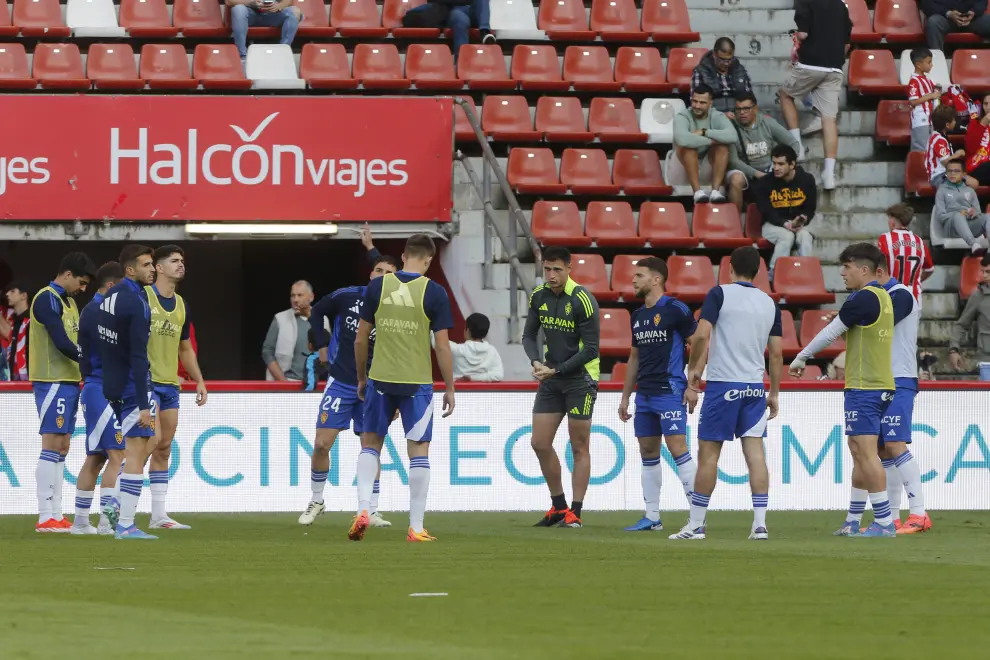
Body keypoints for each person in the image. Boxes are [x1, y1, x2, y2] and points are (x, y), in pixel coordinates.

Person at [669, 247, 781, 541]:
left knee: (708, 457)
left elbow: (702, 334)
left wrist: (693, 375)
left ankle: (696, 525)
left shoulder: (719, 294)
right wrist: (775, 392)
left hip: (723, 385)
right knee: (756, 455)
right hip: (754, 387)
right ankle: (759, 525)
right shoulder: (769, 303)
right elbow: (778, 354)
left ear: (729, 267)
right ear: (758, 270)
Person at [351, 235, 456, 542]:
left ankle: (363, 509)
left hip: (380, 378)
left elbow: (360, 339)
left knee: (370, 444)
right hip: (416, 382)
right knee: (418, 450)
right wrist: (449, 386)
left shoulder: (378, 286)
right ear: (429, 260)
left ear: (404, 255)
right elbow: (442, 346)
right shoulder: (433, 292)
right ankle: (416, 526)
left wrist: (361, 377)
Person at [789, 243, 897, 538]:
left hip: (865, 386)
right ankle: (853, 518)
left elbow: (829, 333)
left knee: (865, 452)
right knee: (858, 451)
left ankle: (885, 522)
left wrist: (801, 357)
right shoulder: (882, 296)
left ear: (864, 270)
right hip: (878, 383)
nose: (842, 272)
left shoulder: (862, 298)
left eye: (847, 267)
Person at [298, 253, 399, 528]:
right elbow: (317, 310)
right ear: (370, 274)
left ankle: (371, 510)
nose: (382, 276)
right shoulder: (348, 296)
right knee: (321, 444)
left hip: (376, 386)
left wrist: (396, 395)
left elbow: (399, 352)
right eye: (378, 270)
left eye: (389, 273)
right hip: (341, 381)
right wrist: (321, 344)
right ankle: (317, 500)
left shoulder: (398, 310)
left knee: (370, 449)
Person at [522, 246, 601, 529]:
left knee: (579, 447)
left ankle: (575, 512)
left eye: (557, 269)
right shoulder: (538, 296)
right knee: (539, 443)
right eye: (547, 269)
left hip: (580, 379)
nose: (551, 275)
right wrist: (535, 361)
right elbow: (529, 334)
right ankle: (558, 506)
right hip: (551, 376)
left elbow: (591, 349)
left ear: (569, 269)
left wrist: (556, 369)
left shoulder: (582, 300)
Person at [617, 257, 698, 531]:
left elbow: (699, 343)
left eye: (639, 275)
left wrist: (693, 384)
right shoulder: (638, 316)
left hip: (670, 390)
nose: (633, 280)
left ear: (656, 279)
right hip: (646, 394)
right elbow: (634, 358)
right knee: (648, 451)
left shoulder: (676, 309)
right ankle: (652, 517)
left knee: (678, 450)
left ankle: (697, 519)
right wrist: (626, 396)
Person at [29, 252, 95, 533]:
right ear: (67, 274)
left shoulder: (69, 302)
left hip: (68, 380)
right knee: (51, 444)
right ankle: (45, 515)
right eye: (80, 282)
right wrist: (91, 361)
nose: (82, 289)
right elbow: (61, 342)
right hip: (51, 380)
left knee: (63, 445)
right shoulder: (46, 298)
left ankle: (56, 513)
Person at [145, 245, 208, 531]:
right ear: (158, 267)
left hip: (170, 384)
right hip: (144, 382)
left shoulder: (182, 305)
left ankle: (159, 515)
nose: (181, 265)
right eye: (174, 261)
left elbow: (185, 348)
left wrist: (199, 380)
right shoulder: (143, 298)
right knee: (147, 443)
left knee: (164, 447)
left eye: (182, 260)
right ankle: (118, 505)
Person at [98, 245, 158, 540]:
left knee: (132, 450)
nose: (153, 269)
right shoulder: (137, 301)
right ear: (130, 270)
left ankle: (115, 508)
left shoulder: (109, 297)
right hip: (133, 386)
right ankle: (125, 523)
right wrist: (144, 401)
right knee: (136, 453)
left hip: (112, 384)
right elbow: (137, 353)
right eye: (147, 265)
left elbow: (104, 343)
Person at [876, 268, 932, 534]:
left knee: (895, 444)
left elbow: (879, 325)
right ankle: (893, 517)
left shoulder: (902, 294)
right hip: (879, 380)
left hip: (900, 378)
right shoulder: (879, 296)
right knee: (884, 450)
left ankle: (919, 514)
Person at [72, 262, 124, 536]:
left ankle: (81, 522)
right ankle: (108, 522)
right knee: (118, 455)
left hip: (95, 387)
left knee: (96, 458)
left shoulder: (92, 310)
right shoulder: (100, 312)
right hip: (102, 388)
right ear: (112, 286)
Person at [779, 0, 852, 190]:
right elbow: (846, 45)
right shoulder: (841, 5)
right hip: (835, 67)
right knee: (829, 119)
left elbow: (803, 34)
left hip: (811, 63)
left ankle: (797, 148)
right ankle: (829, 174)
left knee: (785, 95)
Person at [726, 93, 801, 212]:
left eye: (746, 108)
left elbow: (793, 144)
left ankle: (790, 216)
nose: (742, 112)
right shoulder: (730, 126)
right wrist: (757, 174)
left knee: (793, 173)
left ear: (755, 109)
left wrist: (782, 165)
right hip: (745, 170)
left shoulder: (767, 122)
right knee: (736, 179)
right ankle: (735, 222)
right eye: (738, 109)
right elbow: (733, 161)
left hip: (770, 168)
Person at [753, 144, 817, 277]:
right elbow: (766, 211)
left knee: (805, 237)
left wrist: (803, 219)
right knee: (786, 236)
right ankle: (775, 275)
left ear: (792, 164)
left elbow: (810, 207)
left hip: (799, 224)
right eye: (774, 163)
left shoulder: (807, 180)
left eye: (781, 164)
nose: (776, 168)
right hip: (772, 224)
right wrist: (785, 223)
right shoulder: (765, 182)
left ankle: (807, 274)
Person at [673, 84, 737, 204]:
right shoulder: (682, 116)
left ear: (710, 103)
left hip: (707, 162)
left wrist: (704, 132)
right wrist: (711, 141)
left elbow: (732, 136)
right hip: (682, 164)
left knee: (722, 147)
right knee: (689, 147)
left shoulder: (717, 115)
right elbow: (682, 140)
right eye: (694, 101)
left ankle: (715, 192)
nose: (697, 106)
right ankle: (697, 192)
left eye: (702, 103)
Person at [878, 203, 935, 304]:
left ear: (893, 221)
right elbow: (929, 269)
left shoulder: (885, 239)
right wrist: (915, 280)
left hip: (891, 298)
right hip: (914, 299)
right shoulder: (919, 241)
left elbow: (878, 268)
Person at [262, 280, 315, 381]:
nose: (295, 299)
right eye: (293, 295)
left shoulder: (322, 320)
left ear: (311, 297)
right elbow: (267, 352)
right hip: (286, 382)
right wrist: (283, 382)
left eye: (300, 295)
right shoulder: (280, 318)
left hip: (314, 384)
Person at [935, 160, 990, 254]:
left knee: (988, 216)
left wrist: (973, 213)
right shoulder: (941, 191)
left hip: (970, 225)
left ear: (964, 174)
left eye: (956, 171)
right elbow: (941, 216)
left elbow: (978, 213)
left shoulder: (970, 191)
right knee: (957, 215)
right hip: (951, 229)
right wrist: (959, 214)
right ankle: (974, 245)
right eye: (949, 171)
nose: (952, 173)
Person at [690, 37, 754, 116]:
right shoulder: (701, 72)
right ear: (714, 55)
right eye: (722, 60)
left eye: (730, 59)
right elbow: (697, 105)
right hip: (712, 116)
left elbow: (749, 98)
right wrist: (721, 115)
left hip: (739, 114)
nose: (726, 63)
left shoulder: (739, 70)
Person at [949, 252, 990, 374]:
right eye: (983, 271)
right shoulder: (978, 295)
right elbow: (961, 325)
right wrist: (953, 349)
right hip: (987, 361)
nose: (984, 276)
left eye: (988, 272)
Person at [227, 0, 301, 64]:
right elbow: (229, 1)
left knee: (294, 11)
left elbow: (287, 1)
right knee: (238, 9)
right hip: (250, 14)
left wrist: (279, 6)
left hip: (274, 14)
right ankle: (242, 56)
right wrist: (251, 3)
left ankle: (283, 52)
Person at [438, 312, 504, 382]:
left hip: (458, 392)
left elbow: (437, 341)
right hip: (484, 392)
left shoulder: (457, 350)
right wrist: (473, 378)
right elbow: (498, 375)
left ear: (468, 331)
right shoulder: (492, 351)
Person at [907, 47, 943, 152]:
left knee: (930, 149)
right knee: (920, 149)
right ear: (918, 64)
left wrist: (937, 89)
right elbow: (913, 101)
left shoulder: (927, 78)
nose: (931, 65)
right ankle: (917, 168)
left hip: (930, 118)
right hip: (920, 120)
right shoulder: (914, 80)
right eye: (929, 62)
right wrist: (931, 96)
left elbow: (934, 91)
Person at [922, 0, 990, 50]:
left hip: (971, 19)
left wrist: (974, 12)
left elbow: (982, 1)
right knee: (933, 22)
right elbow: (926, 4)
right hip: (945, 18)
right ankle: (938, 61)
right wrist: (948, 13)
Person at [927, 105, 967, 189]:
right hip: (938, 176)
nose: (955, 122)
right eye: (954, 120)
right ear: (947, 125)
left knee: (974, 183)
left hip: (948, 173)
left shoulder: (942, 136)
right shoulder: (938, 139)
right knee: (962, 186)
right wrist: (958, 153)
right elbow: (946, 162)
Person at [2, 282, 33, 381]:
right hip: (14, 379)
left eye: (12, 291)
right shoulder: (13, 321)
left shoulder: (33, 321)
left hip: (31, 380)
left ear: (23, 296)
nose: (7, 294)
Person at [965, 93, 990, 186]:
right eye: (985, 104)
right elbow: (970, 148)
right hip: (977, 165)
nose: (988, 107)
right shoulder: (974, 124)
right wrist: (982, 125)